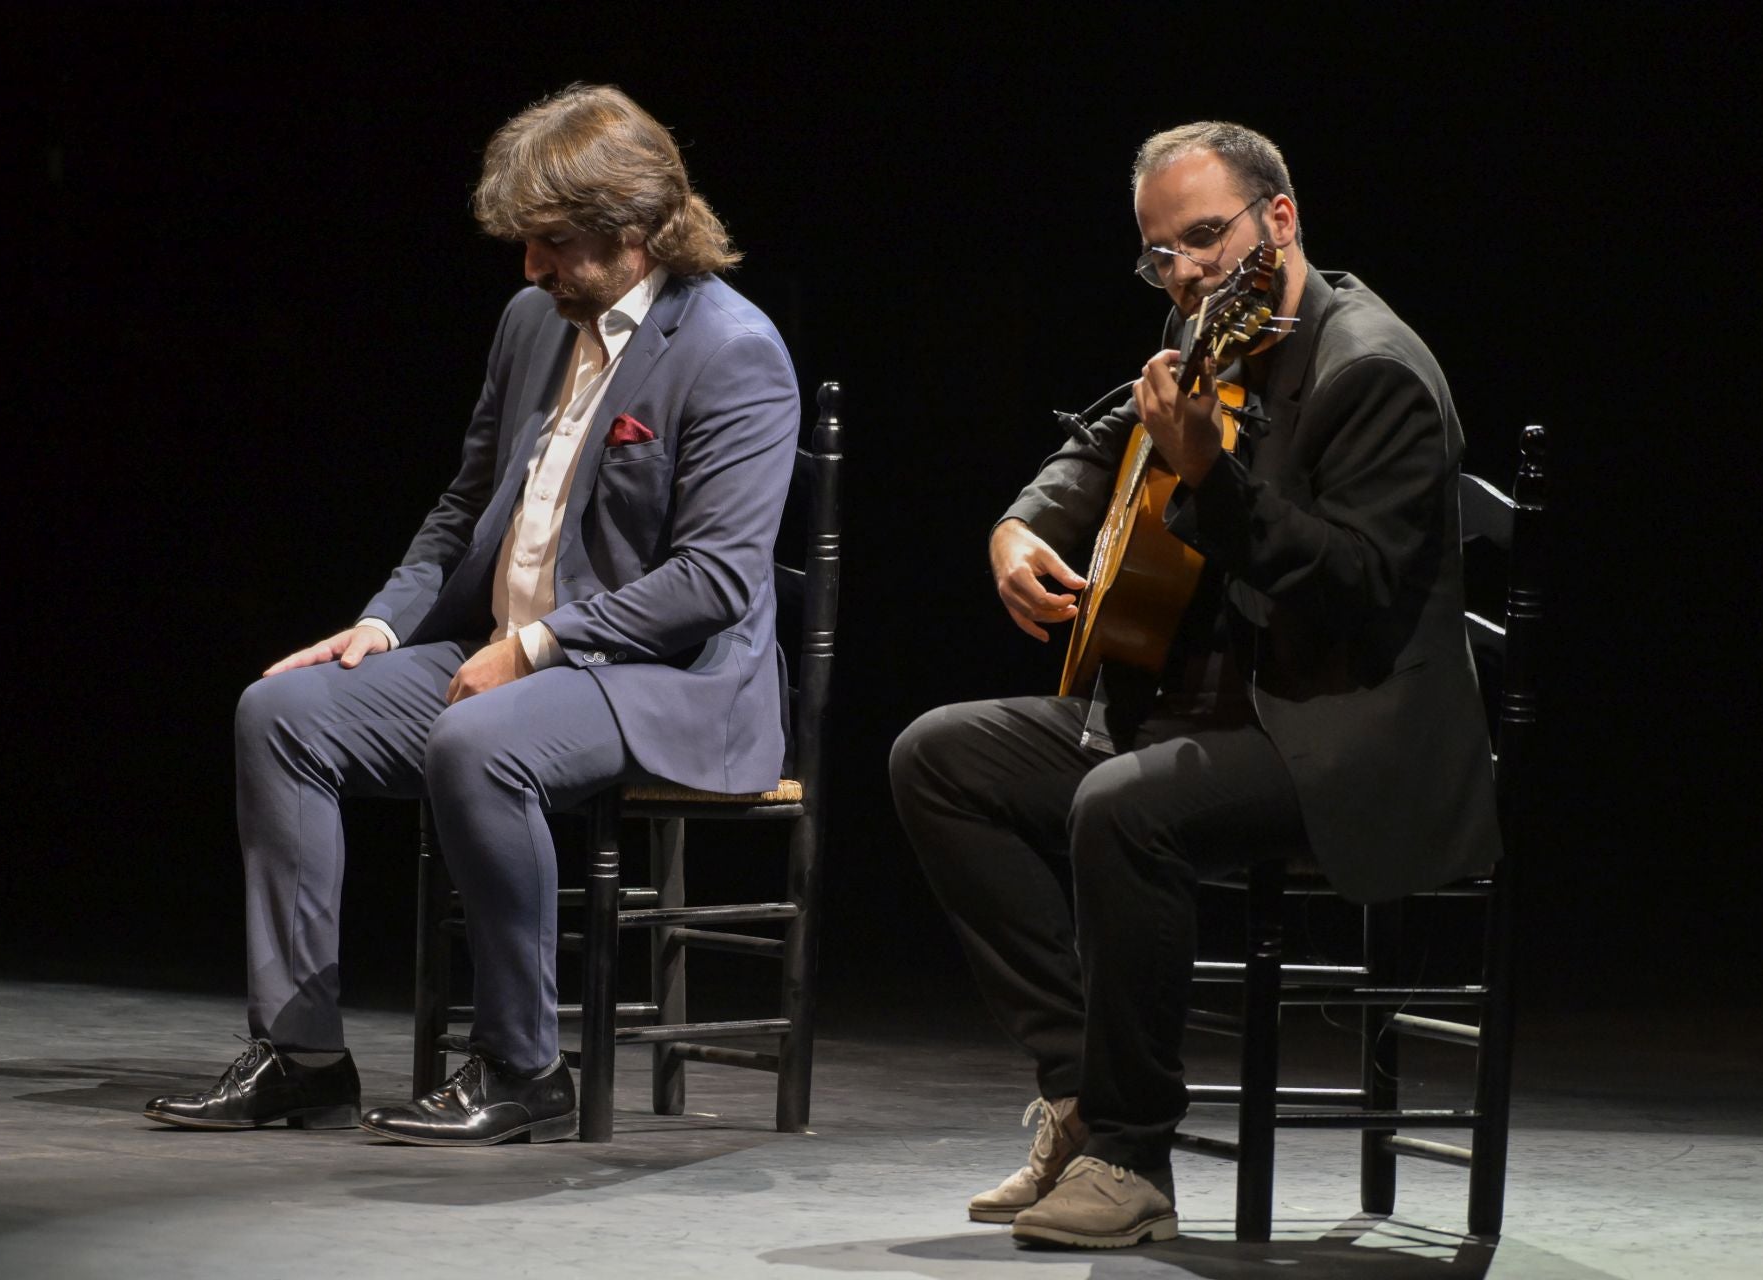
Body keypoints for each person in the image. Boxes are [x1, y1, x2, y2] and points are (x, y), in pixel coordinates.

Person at [145, 84, 800, 1146]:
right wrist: (385, 624)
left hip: (668, 678)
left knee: (478, 739)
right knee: (281, 715)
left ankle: (521, 1062)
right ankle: (303, 1052)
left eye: (553, 243)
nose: (531, 266)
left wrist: (536, 644)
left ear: (634, 233)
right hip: (504, 655)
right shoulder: (531, 323)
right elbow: (463, 504)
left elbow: (715, 580)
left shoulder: (733, 348)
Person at [889, 121, 1500, 1247]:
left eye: (1203, 238)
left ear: (1280, 217)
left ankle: (1131, 1156)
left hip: (1340, 731)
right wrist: (1020, 527)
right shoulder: (1206, 325)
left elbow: (1356, 588)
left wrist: (1209, 478)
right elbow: (1104, 436)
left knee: (1124, 805)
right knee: (940, 754)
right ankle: (1080, 1092)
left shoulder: (1374, 369)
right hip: (1208, 705)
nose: (1182, 270)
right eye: (1159, 252)